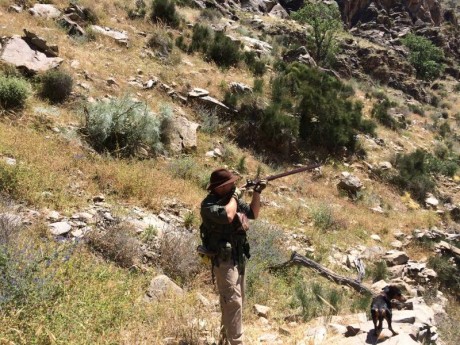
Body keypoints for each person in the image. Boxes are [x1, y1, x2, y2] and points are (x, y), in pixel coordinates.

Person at [200, 168, 267, 345]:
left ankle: (224, 339)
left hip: (238, 256)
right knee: (233, 301)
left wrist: (257, 193)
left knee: (235, 301)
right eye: (229, 184)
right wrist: (236, 196)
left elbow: (253, 213)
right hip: (223, 260)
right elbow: (229, 215)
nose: (234, 185)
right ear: (219, 187)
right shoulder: (208, 205)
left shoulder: (231, 199)